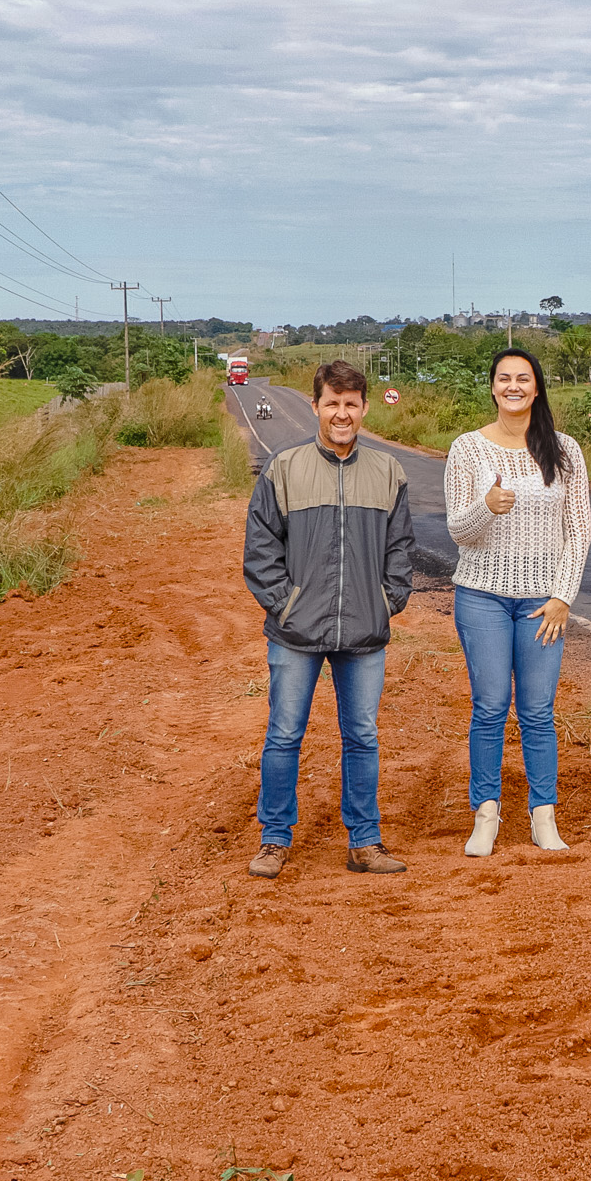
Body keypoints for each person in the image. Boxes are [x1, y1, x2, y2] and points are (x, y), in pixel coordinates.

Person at [241, 359, 416, 877]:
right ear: (316, 405)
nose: (342, 413)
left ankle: (365, 841)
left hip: (364, 631)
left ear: (364, 409)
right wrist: (286, 604)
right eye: (332, 403)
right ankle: (274, 840)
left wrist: (386, 601)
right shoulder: (284, 468)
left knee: (361, 736)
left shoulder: (388, 472)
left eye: (351, 404)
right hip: (295, 631)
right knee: (284, 734)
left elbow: (401, 549)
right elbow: (260, 549)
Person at [444, 348, 591, 856]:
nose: (513, 386)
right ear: (492, 387)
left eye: (523, 379)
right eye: (504, 378)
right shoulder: (467, 449)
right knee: (489, 707)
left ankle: (542, 814)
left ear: (536, 388)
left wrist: (562, 597)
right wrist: (486, 508)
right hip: (481, 596)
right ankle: (486, 813)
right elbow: (457, 532)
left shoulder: (565, 450)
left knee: (537, 711)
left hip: (541, 603)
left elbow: (579, 532)